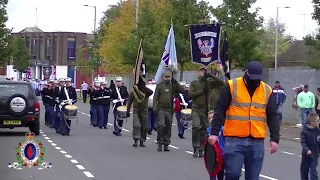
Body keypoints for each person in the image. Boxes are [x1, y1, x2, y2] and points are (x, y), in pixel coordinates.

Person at [208, 61, 280, 179]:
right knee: (233, 174)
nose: (254, 81)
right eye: (252, 78)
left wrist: (275, 139)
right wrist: (214, 132)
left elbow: (272, 115)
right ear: (245, 73)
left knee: (253, 177)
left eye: (257, 79)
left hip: (256, 141)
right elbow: (220, 109)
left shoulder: (267, 90)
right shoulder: (231, 86)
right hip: (234, 139)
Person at [188, 67, 225, 158]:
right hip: (196, 108)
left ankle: (201, 148)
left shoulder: (209, 83)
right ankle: (195, 147)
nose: (202, 73)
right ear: (198, 72)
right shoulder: (194, 83)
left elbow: (221, 83)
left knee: (204, 130)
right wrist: (202, 91)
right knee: (196, 126)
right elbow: (190, 95)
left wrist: (211, 76)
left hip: (205, 110)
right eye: (201, 71)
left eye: (204, 71)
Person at [153, 72, 184, 151]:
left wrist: (176, 83)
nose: (167, 78)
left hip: (169, 109)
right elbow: (155, 97)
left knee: (168, 127)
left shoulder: (173, 86)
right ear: (163, 77)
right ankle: (160, 142)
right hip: (161, 109)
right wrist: (155, 108)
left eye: (169, 77)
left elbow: (182, 91)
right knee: (161, 125)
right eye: (166, 77)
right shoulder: (159, 86)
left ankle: (166, 143)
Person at [126, 79, 153, 147]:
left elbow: (151, 92)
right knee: (136, 125)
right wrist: (128, 110)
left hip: (144, 110)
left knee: (144, 127)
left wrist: (144, 87)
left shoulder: (145, 91)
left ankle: (142, 140)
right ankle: (136, 139)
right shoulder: (134, 91)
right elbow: (129, 101)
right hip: (136, 110)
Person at [300, 113, 320, 180]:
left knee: (313, 170)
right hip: (306, 155)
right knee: (304, 170)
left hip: (315, 154)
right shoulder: (304, 132)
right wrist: (307, 150)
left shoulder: (318, 131)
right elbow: (303, 143)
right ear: (312, 122)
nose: (319, 122)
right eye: (317, 121)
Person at [207, 111, 224, 180]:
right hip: (212, 155)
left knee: (221, 172)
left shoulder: (222, 129)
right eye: (209, 118)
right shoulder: (208, 130)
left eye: (212, 117)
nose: (211, 119)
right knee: (212, 173)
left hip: (221, 153)